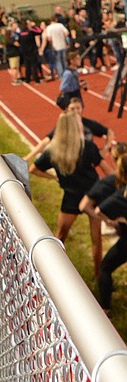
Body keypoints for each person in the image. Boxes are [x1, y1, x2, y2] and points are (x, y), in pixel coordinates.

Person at [31, 110, 104, 275]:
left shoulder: (53, 150)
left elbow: (34, 169)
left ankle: (50, 271)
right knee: (96, 239)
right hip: (92, 196)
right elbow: (104, 168)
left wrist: (54, 177)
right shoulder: (87, 146)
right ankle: (99, 275)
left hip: (71, 196)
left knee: (60, 237)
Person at [80, 144, 127, 316]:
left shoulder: (117, 191)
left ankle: (105, 309)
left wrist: (112, 222)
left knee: (105, 268)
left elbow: (90, 207)